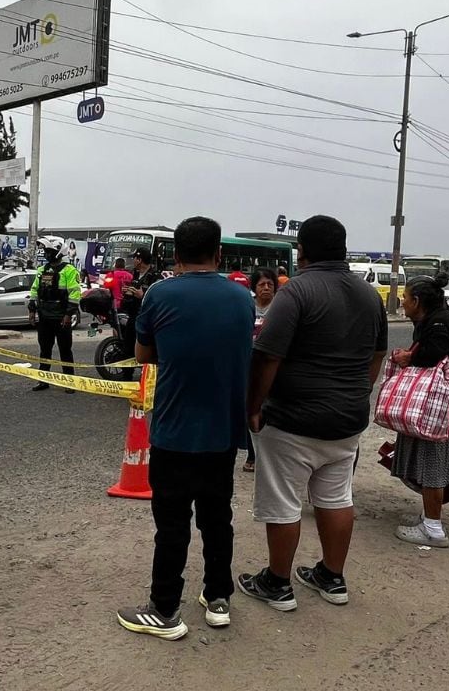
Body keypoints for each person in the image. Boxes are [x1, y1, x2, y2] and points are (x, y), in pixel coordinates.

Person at [239, 215, 387, 611]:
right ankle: (331, 576)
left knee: (284, 501)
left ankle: (277, 583)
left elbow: (267, 355)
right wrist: (359, 390)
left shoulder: (296, 292)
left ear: (302, 250)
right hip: (347, 420)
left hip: (293, 419)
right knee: (336, 496)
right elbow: (377, 354)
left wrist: (253, 407)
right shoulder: (369, 295)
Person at [117, 216, 254, 640]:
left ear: (175, 255)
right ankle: (217, 599)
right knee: (218, 518)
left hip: (175, 429)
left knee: (172, 522)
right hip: (222, 430)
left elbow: (143, 354)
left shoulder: (160, 294)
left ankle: (164, 609)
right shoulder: (242, 297)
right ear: (218, 254)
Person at [385, 274, 449, 548]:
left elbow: (436, 356)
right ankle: (430, 517)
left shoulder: (437, 323)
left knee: (433, 464)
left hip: (440, 406)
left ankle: (433, 529)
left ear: (417, 301)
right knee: (432, 462)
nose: (403, 300)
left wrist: (408, 357)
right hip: (443, 404)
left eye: (406, 296)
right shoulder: (435, 319)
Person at [28, 236, 83, 394]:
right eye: (46, 251)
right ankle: (43, 381)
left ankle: (70, 382)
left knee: (65, 350)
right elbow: (34, 291)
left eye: (50, 251)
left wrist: (68, 314)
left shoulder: (70, 271)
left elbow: (74, 294)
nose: (47, 254)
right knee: (44, 350)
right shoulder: (42, 270)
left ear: (59, 252)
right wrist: (32, 310)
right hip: (45, 317)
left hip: (61, 318)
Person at [242, 268, 279, 473]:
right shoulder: (247, 307)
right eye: (262, 284)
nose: (266, 288)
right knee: (250, 408)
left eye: (270, 284)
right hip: (249, 366)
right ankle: (252, 455)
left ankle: (271, 456)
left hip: (272, 367)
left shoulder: (280, 309)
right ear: (254, 288)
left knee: (269, 410)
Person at [119, 247, 161, 357]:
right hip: (133, 317)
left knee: (146, 347)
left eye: (135, 258)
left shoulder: (155, 276)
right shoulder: (135, 274)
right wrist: (127, 292)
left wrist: (142, 296)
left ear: (140, 260)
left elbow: (158, 299)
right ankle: (126, 373)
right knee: (128, 347)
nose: (133, 261)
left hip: (147, 319)